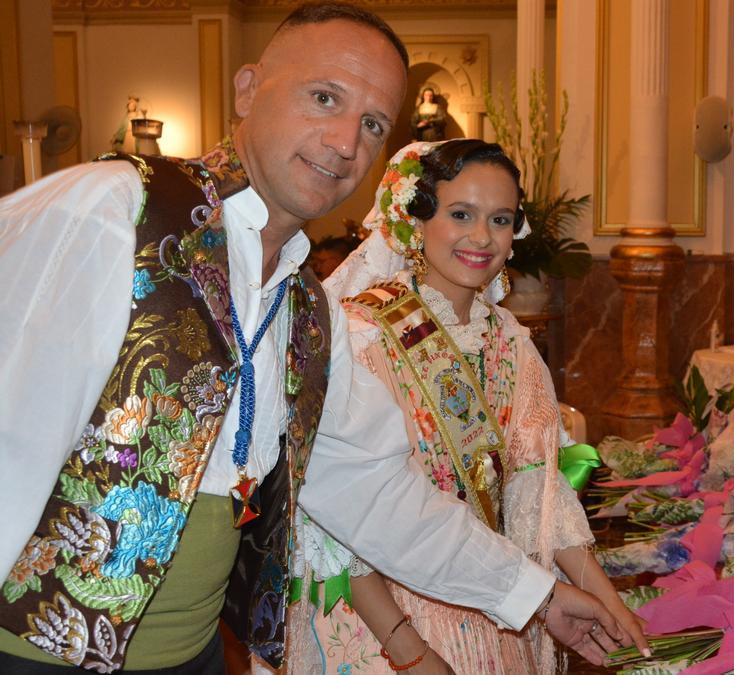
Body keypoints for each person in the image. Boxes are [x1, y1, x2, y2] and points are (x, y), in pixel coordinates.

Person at [0, 3, 634, 673]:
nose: (344, 142)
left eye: (372, 124)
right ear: (248, 90)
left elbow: (373, 491)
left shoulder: (307, 309)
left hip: (198, 655)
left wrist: (535, 597)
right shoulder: (113, 212)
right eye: (324, 97)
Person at [288, 139, 647, 673]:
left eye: (500, 219)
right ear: (416, 221)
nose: (482, 237)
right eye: (461, 214)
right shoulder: (360, 336)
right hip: (380, 620)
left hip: (496, 599)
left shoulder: (510, 340)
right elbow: (333, 522)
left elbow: (538, 488)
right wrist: (410, 654)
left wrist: (609, 600)